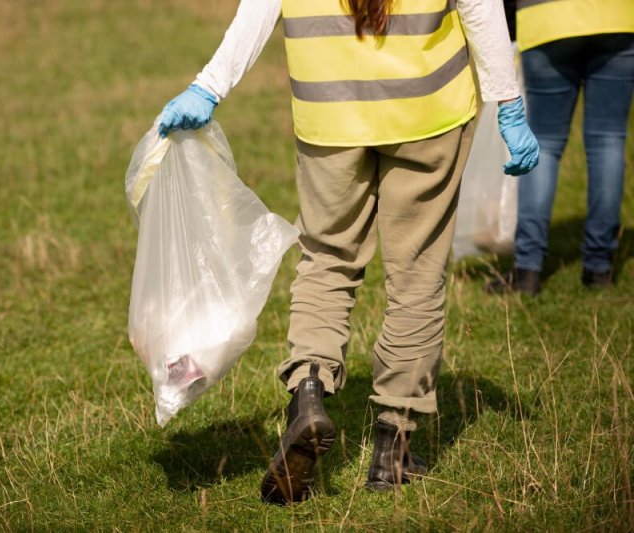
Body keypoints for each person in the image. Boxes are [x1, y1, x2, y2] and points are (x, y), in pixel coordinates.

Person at [157, 0, 538, 504]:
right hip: (428, 112)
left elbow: (260, 8)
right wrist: (508, 101)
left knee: (327, 260)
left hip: (329, 114)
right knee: (417, 274)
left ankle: (309, 395)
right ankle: (392, 452)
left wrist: (209, 85)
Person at [489, 0, 634, 295]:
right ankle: (598, 267)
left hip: (546, 19)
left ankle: (528, 269)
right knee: (608, 139)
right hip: (618, 16)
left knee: (544, 142)